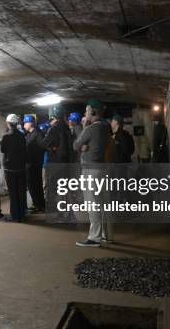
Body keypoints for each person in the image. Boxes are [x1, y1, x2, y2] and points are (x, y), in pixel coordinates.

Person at [73, 98, 111, 247]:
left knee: (92, 204)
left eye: (87, 110)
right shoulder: (104, 127)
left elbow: (76, 145)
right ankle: (102, 234)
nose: (85, 113)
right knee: (100, 203)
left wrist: (83, 127)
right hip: (101, 168)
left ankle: (94, 238)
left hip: (91, 170)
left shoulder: (90, 129)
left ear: (93, 112)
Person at [1, 114, 27, 222]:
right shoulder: (22, 136)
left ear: (8, 123)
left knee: (13, 192)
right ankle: (22, 214)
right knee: (21, 191)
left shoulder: (6, 136)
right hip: (21, 167)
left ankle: (15, 216)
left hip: (10, 168)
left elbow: (3, 150)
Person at [23, 115, 45, 213]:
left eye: (25, 123)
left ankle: (39, 205)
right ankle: (38, 204)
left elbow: (41, 148)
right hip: (30, 163)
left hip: (34, 164)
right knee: (33, 185)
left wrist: (35, 158)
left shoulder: (37, 134)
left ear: (30, 123)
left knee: (35, 185)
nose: (24, 125)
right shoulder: (29, 134)